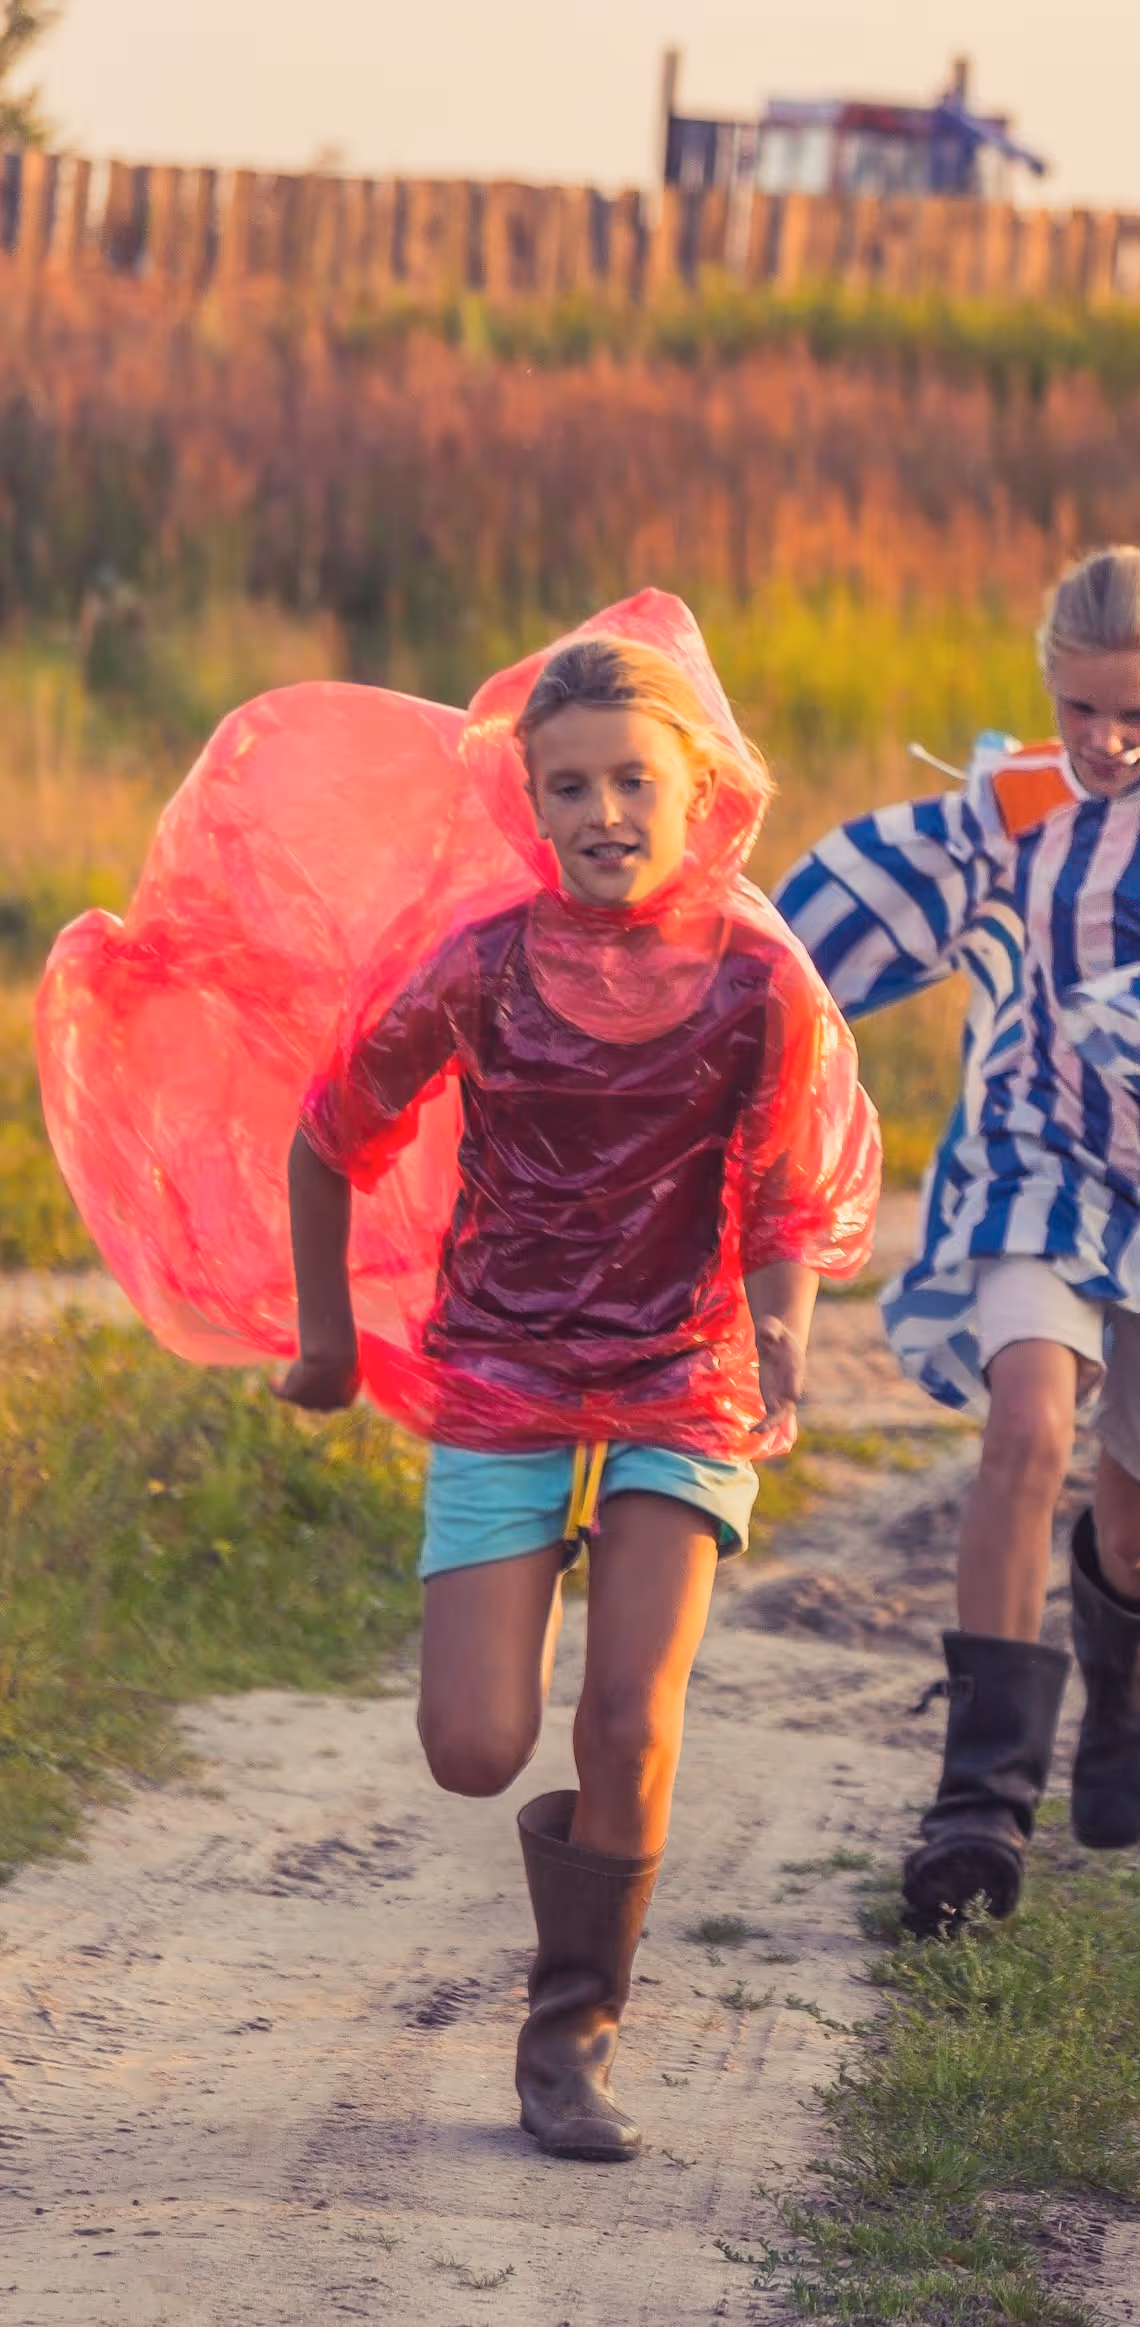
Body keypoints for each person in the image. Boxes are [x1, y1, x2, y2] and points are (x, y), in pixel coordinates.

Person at [45, 600, 881, 2163]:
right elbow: (326, 1129)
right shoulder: (483, 966)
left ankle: (573, 2033)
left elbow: (787, 1191)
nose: (604, 813)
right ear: (529, 802)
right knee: (475, 1744)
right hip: (501, 1359)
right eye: (567, 785)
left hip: (681, 1376)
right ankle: (547, 1656)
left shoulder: (758, 982)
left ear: (699, 787)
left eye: (634, 779)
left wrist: (786, 1332)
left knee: (629, 1714)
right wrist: (317, 1339)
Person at [775, 547, 1140, 1938]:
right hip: (1040, 1154)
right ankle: (976, 1801)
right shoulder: (1015, 811)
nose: (1102, 743)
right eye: (1079, 708)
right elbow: (832, 926)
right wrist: (721, 990)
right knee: (1025, 1426)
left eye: (1133, 717)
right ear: (1050, 684)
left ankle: (1131, 1654)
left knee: (1134, 1505)